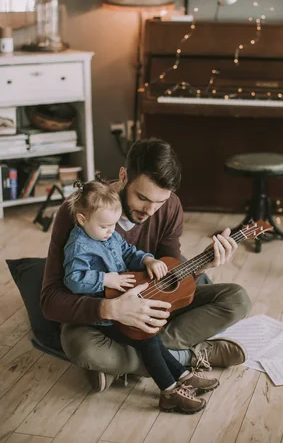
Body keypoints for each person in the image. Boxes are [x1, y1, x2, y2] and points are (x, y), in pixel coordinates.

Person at [41, 138, 252, 394]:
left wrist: (203, 264)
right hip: (101, 314)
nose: (150, 210)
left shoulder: (170, 205)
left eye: (160, 202)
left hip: (151, 304)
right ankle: (190, 355)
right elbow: (50, 300)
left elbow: (173, 280)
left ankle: (124, 364)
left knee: (237, 299)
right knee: (81, 347)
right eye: (142, 197)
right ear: (123, 176)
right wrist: (111, 308)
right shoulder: (80, 210)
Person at [63, 176, 219, 413]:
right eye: (104, 226)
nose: (110, 232)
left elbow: (127, 250)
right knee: (146, 337)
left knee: (151, 336)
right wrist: (106, 278)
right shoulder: (79, 246)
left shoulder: (108, 233)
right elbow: (73, 280)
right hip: (103, 313)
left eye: (114, 226)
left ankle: (184, 375)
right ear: (82, 219)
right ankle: (169, 392)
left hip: (125, 300)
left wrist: (147, 259)